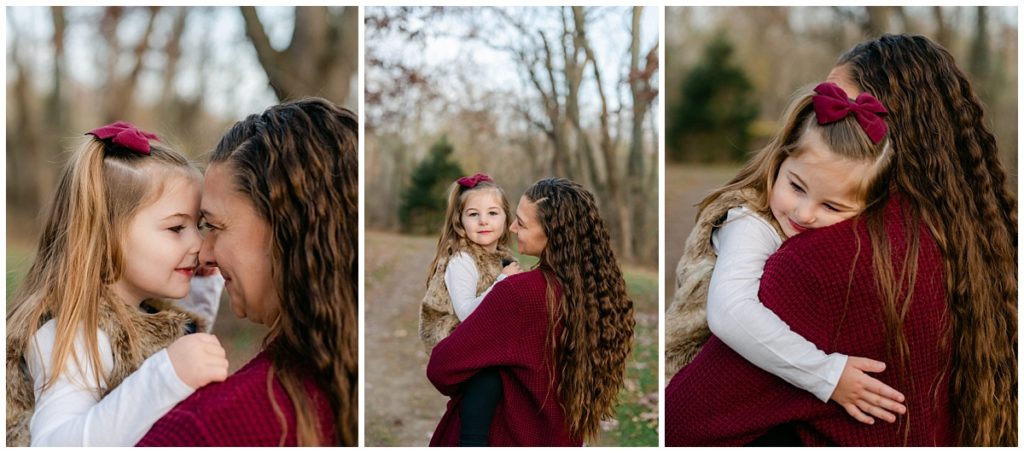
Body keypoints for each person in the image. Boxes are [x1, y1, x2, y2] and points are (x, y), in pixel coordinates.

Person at [666, 34, 1015, 447]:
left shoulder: (834, 261)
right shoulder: (964, 245)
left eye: (836, 102)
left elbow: (680, 424)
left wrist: (823, 375)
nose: (805, 214)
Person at [664, 81, 906, 424]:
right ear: (780, 161)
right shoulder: (750, 222)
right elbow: (730, 311)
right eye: (796, 186)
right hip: (689, 379)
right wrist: (827, 374)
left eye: (833, 206)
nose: (804, 213)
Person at [137, 97, 359, 446]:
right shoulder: (346, 378)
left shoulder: (202, 431)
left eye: (215, 226)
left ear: (287, 228)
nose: (204, 254)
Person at [5, 122, 228, 447]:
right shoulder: (75, 332)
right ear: (106, 236)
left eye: (199, 225)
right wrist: (167, 378)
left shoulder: (135, 308)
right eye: (177, 227)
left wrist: (200, 294)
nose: (199, 243)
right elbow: (55, 444)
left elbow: (152, 344)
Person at [426, 178, 635, 446]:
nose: (511, 228)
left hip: (506, 436)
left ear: (552, 232)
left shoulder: (520, 294)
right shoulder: (601, 295)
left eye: (521, 223)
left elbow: (442, 367)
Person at [418, 173, 521, 446]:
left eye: (493, 213)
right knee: (486, 381)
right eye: (473, 214)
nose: (484, 220)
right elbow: (467, 314)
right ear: (460, 223)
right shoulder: (461, 258)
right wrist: (503, 283)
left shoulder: (501, 258)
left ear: (506, 219)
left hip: (481, 341)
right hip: (456, 341)